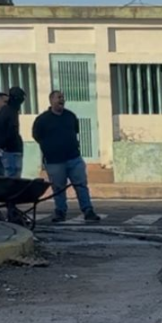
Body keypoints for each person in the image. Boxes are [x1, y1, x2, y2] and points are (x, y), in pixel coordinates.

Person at [32, 89, 100, 223]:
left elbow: (75, 131)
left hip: (74, 158)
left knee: (81, 185)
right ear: (51, 100)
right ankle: (60, 212)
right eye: (58, 97)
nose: (62, 100)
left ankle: (88, 210)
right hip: (54, 161)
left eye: (63, 97)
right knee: (58, 188)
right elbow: (37, 136)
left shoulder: (70, 116)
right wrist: (50, 148)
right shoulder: (42, 120)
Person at [0, 86, 26, 177]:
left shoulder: (10, 111)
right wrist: (5, 146)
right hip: (10, 151)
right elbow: (8, 132)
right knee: (12, 177)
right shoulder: (9, 111)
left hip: (12, 149)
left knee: (14, 176)